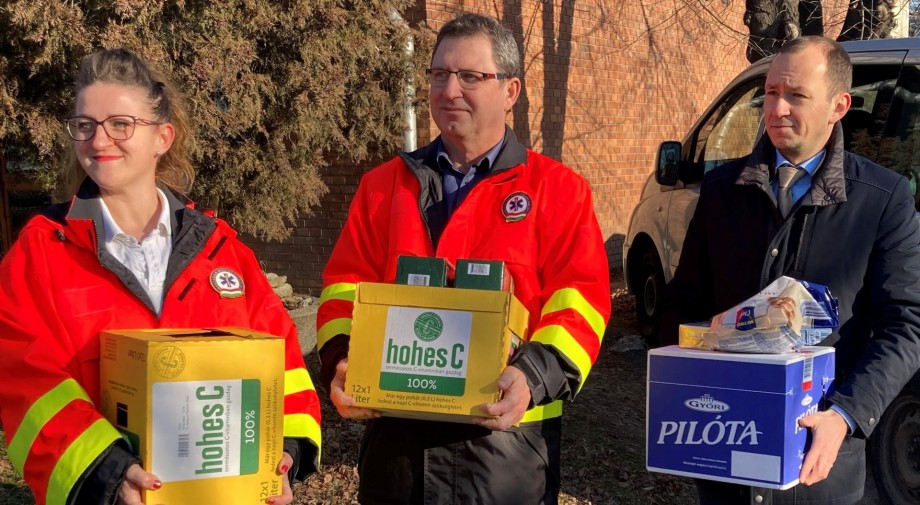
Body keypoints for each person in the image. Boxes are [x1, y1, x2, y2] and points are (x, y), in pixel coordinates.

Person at [0, 48, 321, 505]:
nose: (99, 139)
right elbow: (23, 380)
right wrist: (109, 475)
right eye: (85, 125)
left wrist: (286, 452)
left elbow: (284, 365)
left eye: (120, 124)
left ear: (162, 137)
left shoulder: (221, 250)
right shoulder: (40, 250)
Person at [316, 12, 611, 505]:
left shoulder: (558, 192)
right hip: (397, 452)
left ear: (510, 91)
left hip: (504, 453)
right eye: (439, 74)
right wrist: (341, 358)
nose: (449, 90)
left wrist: (534, 376)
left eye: (470, 76)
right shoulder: (382, 188)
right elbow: (345, 285)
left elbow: (581, 301)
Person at [660, 36, 920, 505]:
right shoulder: (721, 191)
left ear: (838, 105)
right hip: (725, 452)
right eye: (772, 92)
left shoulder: (882, 200)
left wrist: (846, 414)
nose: (777, 108)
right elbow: (684, 302)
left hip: (819, 465)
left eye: (796, 95)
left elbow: (906, 326)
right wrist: (690, 360)